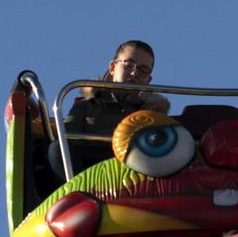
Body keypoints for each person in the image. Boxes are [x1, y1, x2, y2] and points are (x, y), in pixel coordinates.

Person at [50, 40, 170, 177]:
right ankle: (82, 193)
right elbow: (67, 138)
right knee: (58, 148)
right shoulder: (88, 104)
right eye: (129, 65)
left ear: (148, 80)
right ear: (112, 68)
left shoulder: (152, 115)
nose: (133, 74)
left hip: (132, 168)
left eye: (142, 71)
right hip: (90, 165)